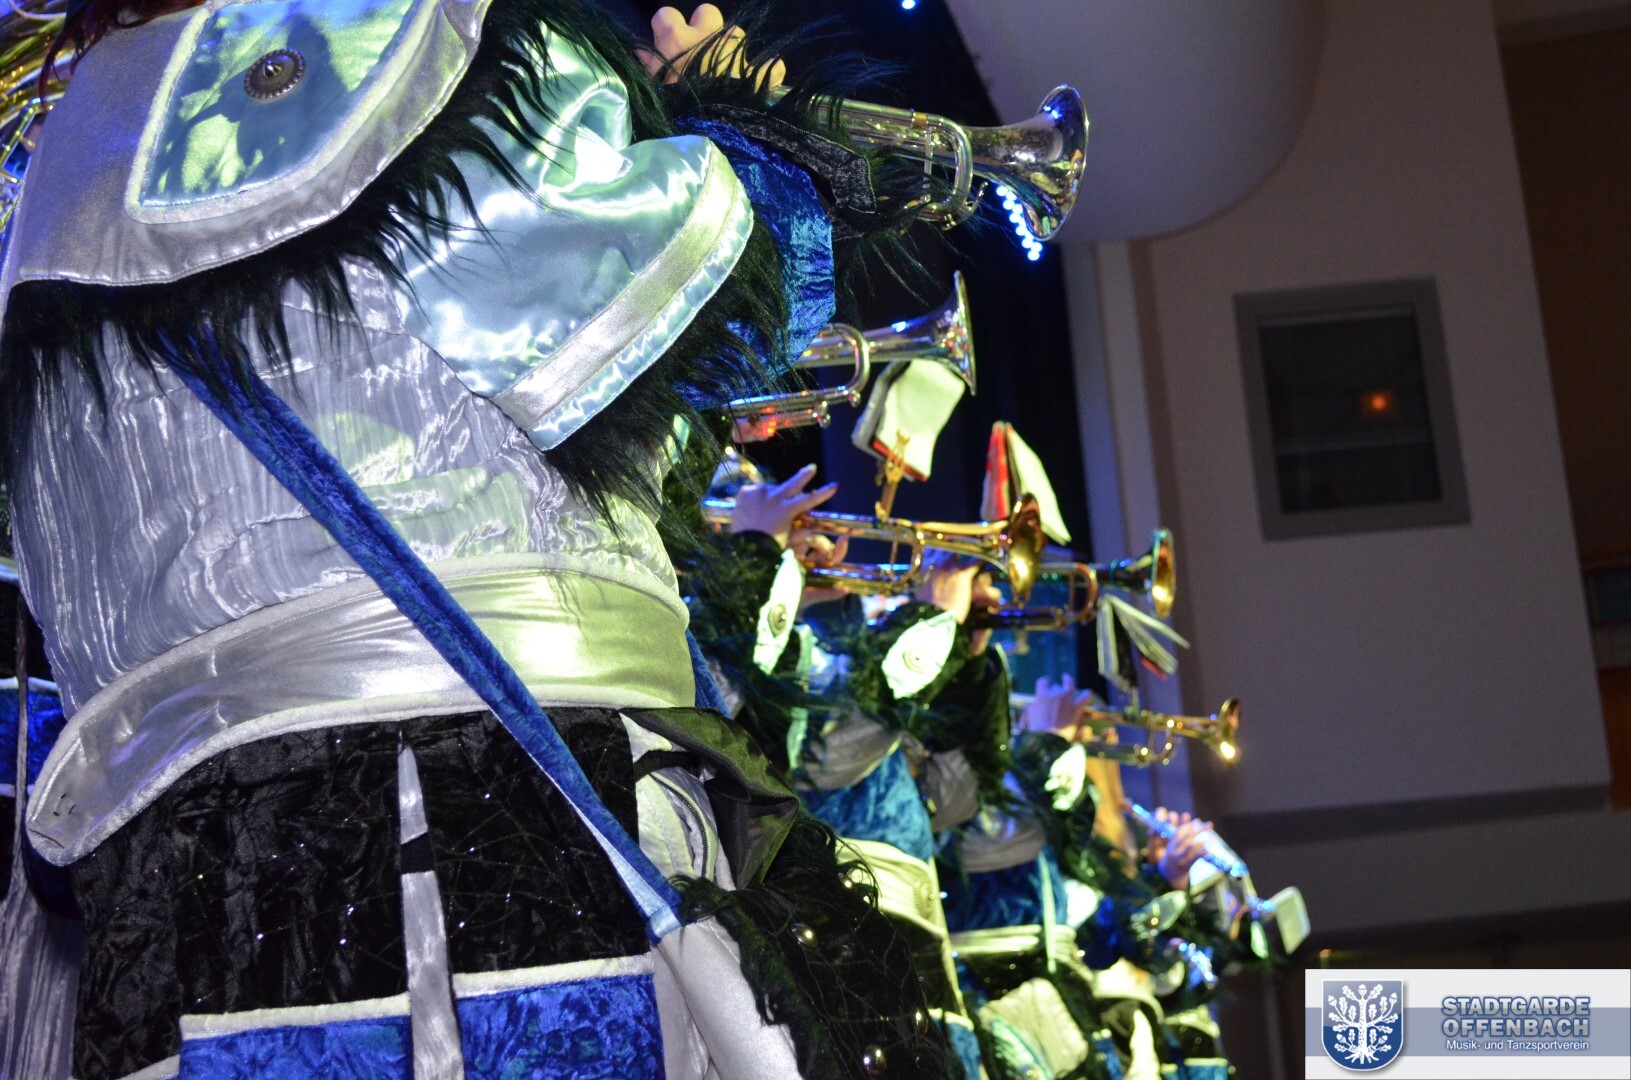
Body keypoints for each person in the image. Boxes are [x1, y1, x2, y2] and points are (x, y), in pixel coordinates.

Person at [0, 1, 953, 1076]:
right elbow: (701, 330)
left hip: (186, 904)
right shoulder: (422, 36)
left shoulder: (59, 175)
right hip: (496, 828)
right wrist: (728, 124)